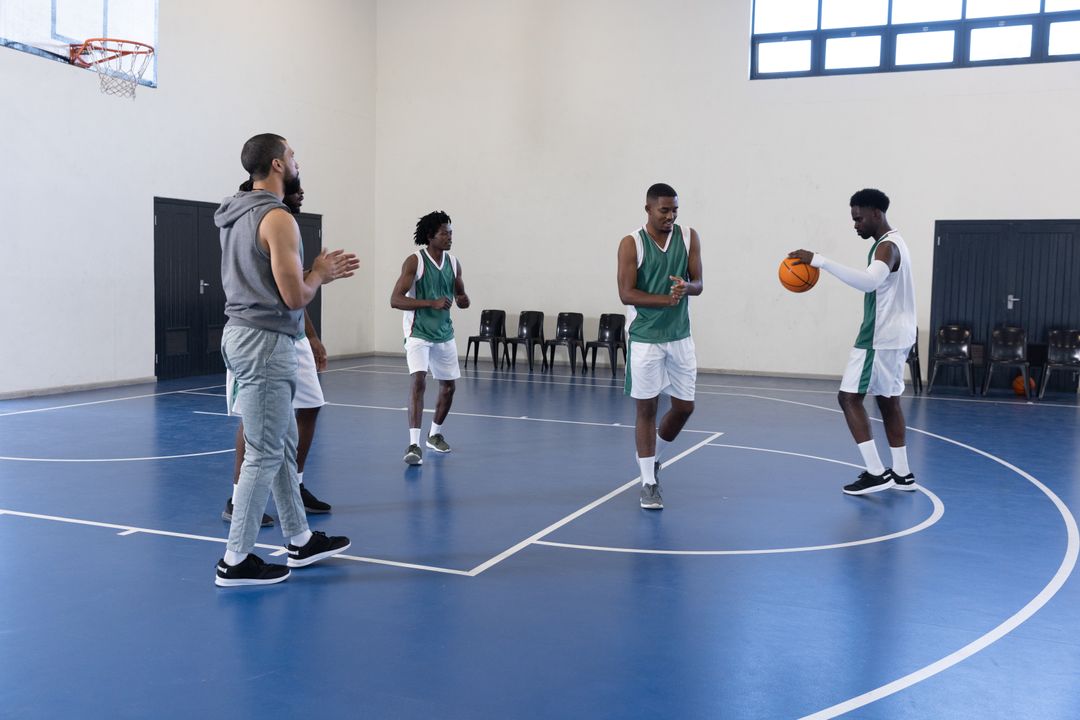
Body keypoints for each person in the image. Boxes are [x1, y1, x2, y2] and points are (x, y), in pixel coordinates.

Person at [214, 133, 357, 587]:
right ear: (277, 165)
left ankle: (300, 537)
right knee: (262, 452)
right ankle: (235, 561)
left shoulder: (235, 213)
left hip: (247, 336)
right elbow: (295, 296)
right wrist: (319, 272)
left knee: (279, 444)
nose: (297, 160)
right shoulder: (277, 218)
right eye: (292, 154)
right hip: (264, 342)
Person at [788, 188, 918, 495]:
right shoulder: (897, 242)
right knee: (888, 400)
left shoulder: (887, 247)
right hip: (899, 334)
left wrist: (820, 261)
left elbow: (870, 281)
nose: (855, 225)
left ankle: (876, 472)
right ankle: (902, 473)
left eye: (858, 219)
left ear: (876, 214)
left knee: (848, 398)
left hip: (879, 336)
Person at [221, 181, 331, 528]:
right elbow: (295, 292)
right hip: (259, 337)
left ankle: (295, 500)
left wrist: (311, 336)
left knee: (308, 407)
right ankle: (237, 502)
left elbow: (292, 293)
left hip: (291, 333)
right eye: (296, 189)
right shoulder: (262, 223)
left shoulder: (284, 226)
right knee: (256, 425)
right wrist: (319, 274)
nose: (301, 193)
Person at [617, 183, 703, 510]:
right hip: (645, 339)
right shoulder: (631, 244)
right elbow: (626, 293)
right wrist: (665, 300)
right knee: (647, 410)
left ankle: (653, 458)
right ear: (648, 209)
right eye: (664, 210)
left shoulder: (688, 237)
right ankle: (648, 483)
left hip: (680, 336)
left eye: (675, 210)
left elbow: (699, 283)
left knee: (684, 407)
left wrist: (687, 286)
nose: (670, 216)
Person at [389, 210, 470, 466]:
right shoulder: (415, 261)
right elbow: (395, 300)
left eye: (450, 233)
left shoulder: (454, 263)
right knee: (419, 381)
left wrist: (463, 300)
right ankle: (413, 444)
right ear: (430, 236)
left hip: (444, 333)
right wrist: (430, 303)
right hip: (418, 333)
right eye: (444, 233)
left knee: (449, 387)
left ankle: (434, 435)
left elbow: (460, 294)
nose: (449, 237)